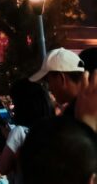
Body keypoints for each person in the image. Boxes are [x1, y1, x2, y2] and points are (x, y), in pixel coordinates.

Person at [16, 50, 97, 184]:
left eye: (48, 81)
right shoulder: (75, 111)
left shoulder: (73, 117)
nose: (49, 89)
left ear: (61, 78)